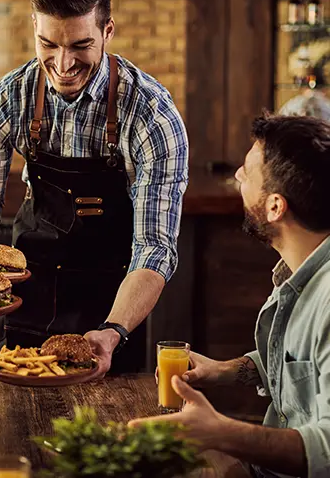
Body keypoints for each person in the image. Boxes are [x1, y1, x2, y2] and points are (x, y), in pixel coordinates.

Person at [0, 0, 189, 374]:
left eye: (80, 45)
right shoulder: (4, 104)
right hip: (21, 303)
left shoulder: (151, 115)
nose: (62, 64)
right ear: (34, 29)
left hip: (110, 313)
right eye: (48, 44)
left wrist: (113, 330)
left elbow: (155, 247)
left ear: (107, 31)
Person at [130, 114, 330, 478]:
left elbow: (327, 450)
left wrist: (221, 433)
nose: (237, 176)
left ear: (275, 205)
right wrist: (224, 371)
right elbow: (301, 366)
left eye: (247, 172)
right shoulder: (300, 272)